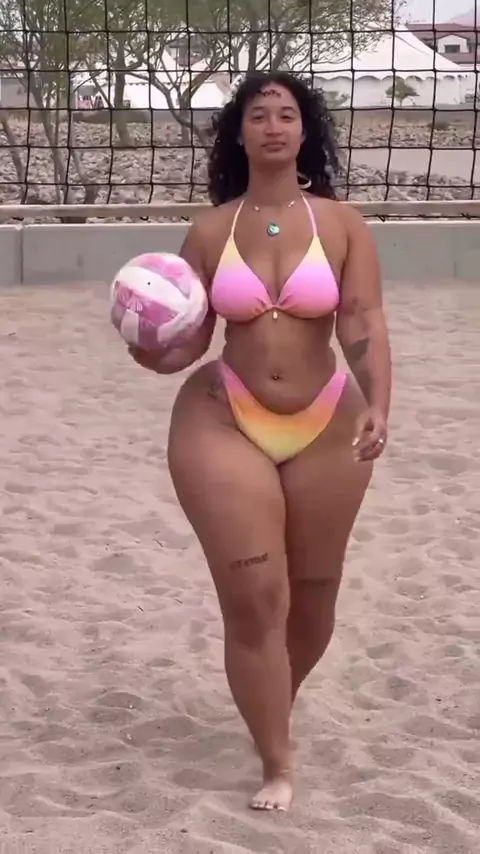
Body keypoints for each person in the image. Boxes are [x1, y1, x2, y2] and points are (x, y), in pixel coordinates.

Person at [129, 71, 392, 812]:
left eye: (286, 114)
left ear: (304, 131)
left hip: (326, 419)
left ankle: (271, 699)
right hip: (226, 417)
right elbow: (189, 340)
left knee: (313, 597)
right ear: (238, 134)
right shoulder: (211, 231)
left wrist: (380, 403)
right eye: (258, 115)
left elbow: (362, 321)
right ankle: (277, 760)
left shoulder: (341, 223)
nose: (273, 126)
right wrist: (150, 349)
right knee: (256, 598)